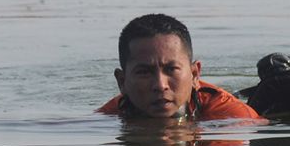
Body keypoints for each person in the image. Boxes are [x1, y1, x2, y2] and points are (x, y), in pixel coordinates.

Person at [97, 13, 262, 121]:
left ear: (195, 75)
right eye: (144, 72)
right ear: (122, 82)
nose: (160, 85)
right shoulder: (111, 114)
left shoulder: (235, 119)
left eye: (171, 69)